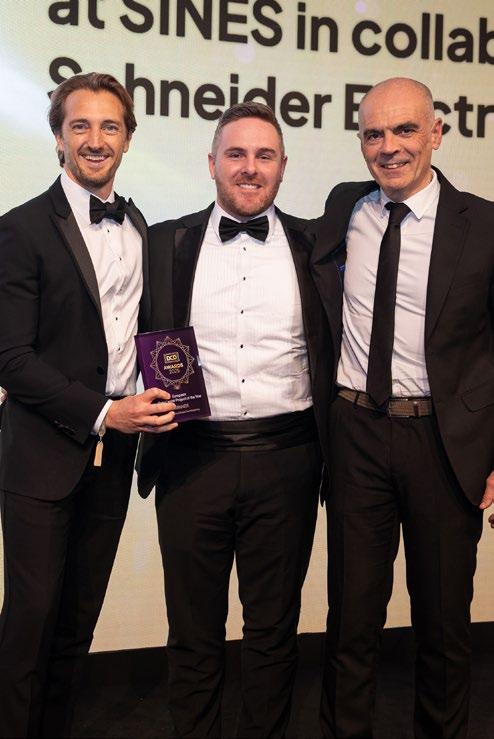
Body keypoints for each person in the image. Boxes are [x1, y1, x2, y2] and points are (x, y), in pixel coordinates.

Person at [137, 101, 331, 738]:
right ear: (212, 163)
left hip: (288, 459)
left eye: (264, 155)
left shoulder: (316, 246)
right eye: (236, 154)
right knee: (193, 633)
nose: (250, 167)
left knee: (273, 633)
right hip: (191, 458)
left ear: (283, 166)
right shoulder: (164, 241)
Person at [311, 77, 494, 739]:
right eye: (373, 134)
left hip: (443, 444)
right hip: (355, 433)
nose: (388, 147)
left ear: (437, 132)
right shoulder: (344, 207)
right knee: (350, 622)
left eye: (405, 130)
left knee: (443, 627)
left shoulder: (484, 225)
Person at [0, 72, 176, 738]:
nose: (95, 140)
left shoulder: (140, 227)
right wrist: (105, 412)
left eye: (110, 126)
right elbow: (10, 358)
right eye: (81, 125)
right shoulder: (20, 229)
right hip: (41, 458)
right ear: (58, 137)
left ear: (128, 139)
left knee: (78, 624)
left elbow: (142, 337)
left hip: (116, 456)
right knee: (29, 624)